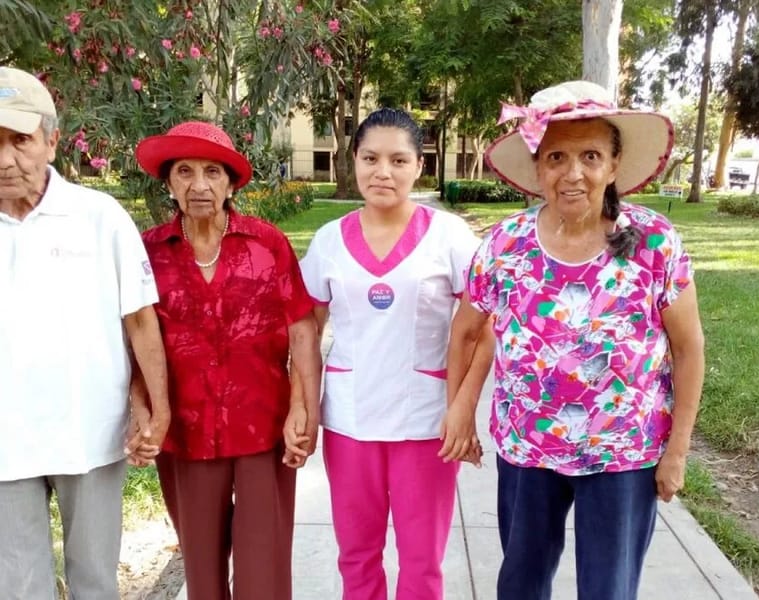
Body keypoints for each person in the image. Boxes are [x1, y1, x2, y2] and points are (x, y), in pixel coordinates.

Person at [446, 80, 705, 600]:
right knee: (520, 583)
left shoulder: (654, 242)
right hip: (527, 447)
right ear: (538, 169)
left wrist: (676, 450)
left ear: (613, 165)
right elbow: (467, 332)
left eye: (590, 155)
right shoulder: (505, 244)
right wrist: (459, 410)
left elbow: (688, 348)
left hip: (622, 453)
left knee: (607, 589)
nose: (573, 173)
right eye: (556, 156)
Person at [297, 107, 488, 600]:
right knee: (356, 555)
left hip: (425, 421)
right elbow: (306, 329)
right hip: (350, 418)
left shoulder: (450, 238)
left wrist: (462, 407)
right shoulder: (328, 242)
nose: (383, 172)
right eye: (370, 158)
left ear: (419, 166)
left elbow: (485, 325)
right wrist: (303, 405)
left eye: (398, 160)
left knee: (422, 560)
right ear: (353, 161)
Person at [0, 66, 169, 598]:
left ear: (51, 141)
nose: (6, 159)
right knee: (19, 586)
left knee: (95, 581)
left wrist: (157, 406)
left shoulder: (99, 217)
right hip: (5, 443)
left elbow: (140, 320)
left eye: (20, 140)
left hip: (90, 434)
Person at [134, 120, 321, 600]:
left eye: (213, 172)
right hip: (188, 432)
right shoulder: (147, 252)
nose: (199, 185)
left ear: (231, 182)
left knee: (265, 573)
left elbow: (301, 327)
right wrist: (143, 410)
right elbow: (132, 336)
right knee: (201, 571)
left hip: (264, 427)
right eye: (185, 172)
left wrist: (304, 406)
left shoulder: (267, 243)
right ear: (168, 182)